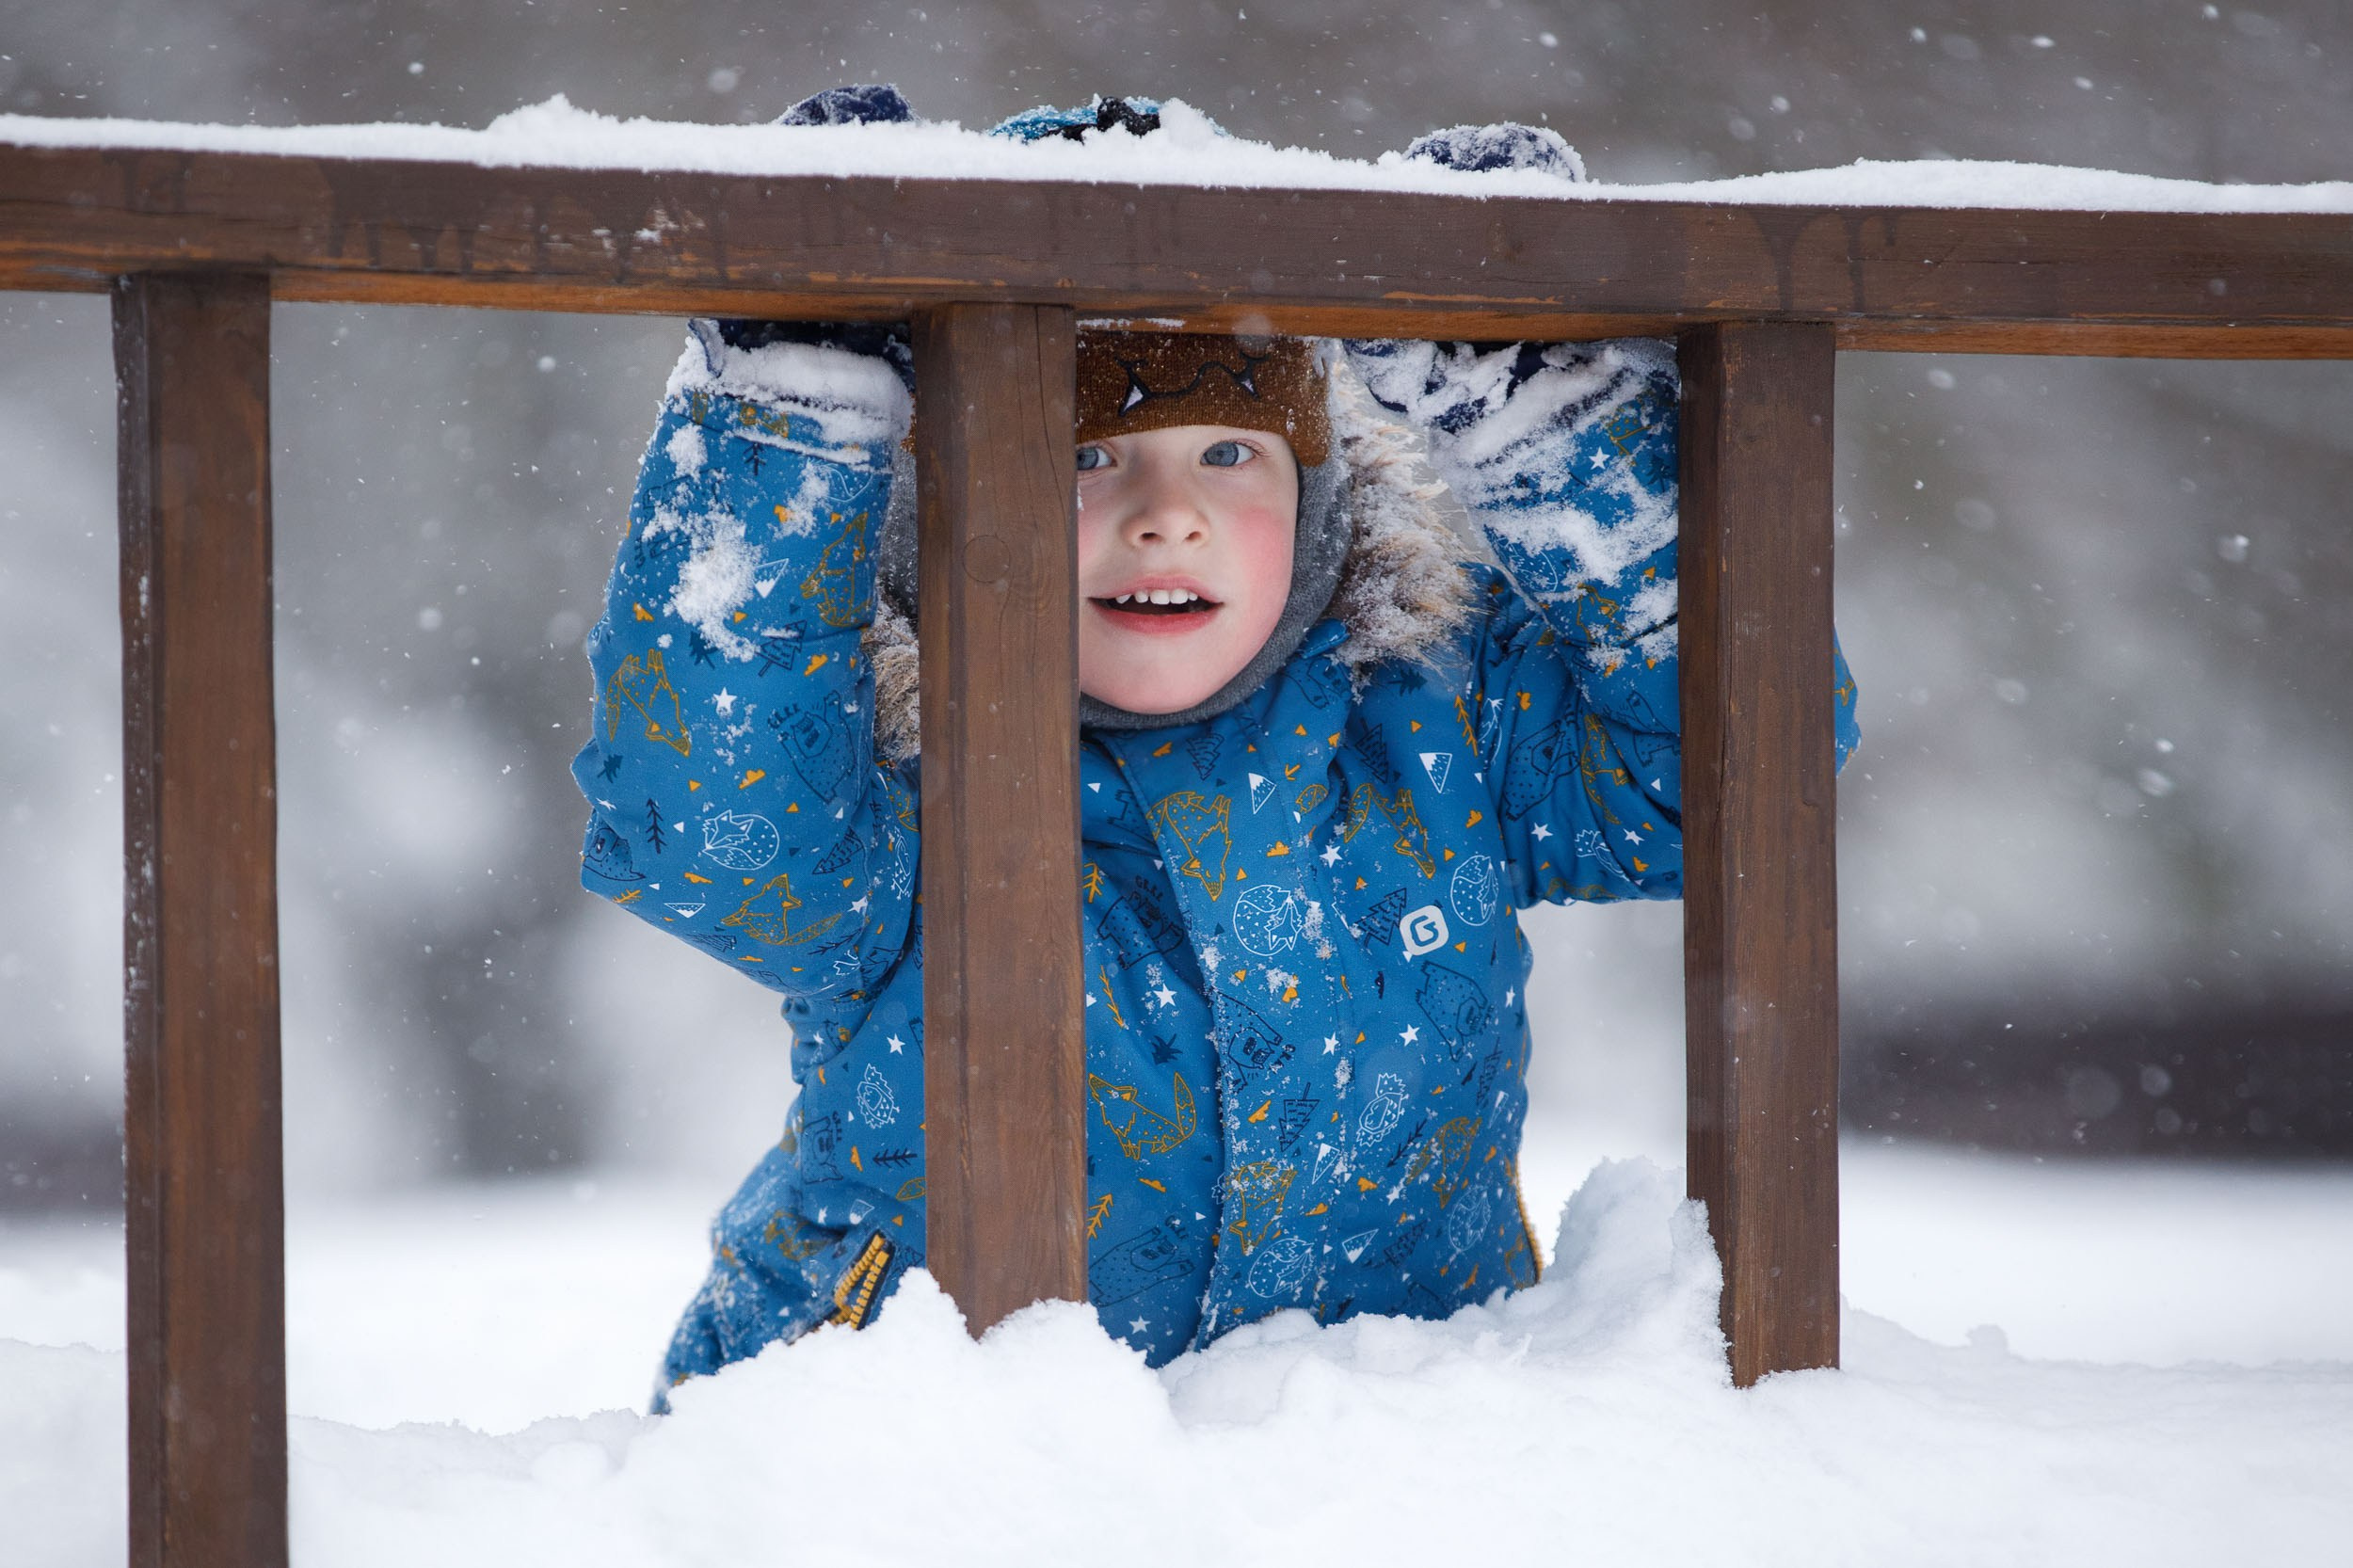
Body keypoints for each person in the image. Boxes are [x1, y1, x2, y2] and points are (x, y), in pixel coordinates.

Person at [572, 89, 1860, 1402]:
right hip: (929, 1468)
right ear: (930, 514)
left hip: (1378, 1468)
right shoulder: (898, 787)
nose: (1166, 517)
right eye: (1086, 457)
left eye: (1231, 451)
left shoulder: (1428, 723)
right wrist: (794, 417)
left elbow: (1728, 775)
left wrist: (1551, 433)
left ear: (1318, 504)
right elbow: (718, 836)